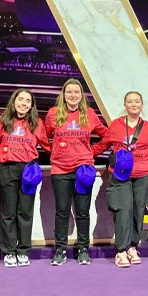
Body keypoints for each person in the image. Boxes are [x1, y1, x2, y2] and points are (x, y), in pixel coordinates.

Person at [45, 79, 110, 266]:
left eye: (76, 92)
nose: (73, 95)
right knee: (62, 211)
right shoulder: (53, 113)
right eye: (69, 92)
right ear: (63, 95)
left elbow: (106, 135)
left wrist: (92, 152)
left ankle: (83, 249)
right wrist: (55, 151)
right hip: (60, 169)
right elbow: (42, 136)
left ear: (81, 95)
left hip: (83, 170)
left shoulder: (89, 114)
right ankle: (60, 250)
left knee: (82, 211)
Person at [0, 88, 50, 267]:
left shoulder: (37, 123)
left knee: (25, 212)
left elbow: (48, 146)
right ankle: (9, 251)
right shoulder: (2, 121)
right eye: (20, 99)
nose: (24, 103)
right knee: (8, 212)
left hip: (29, 170)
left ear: (31, 105)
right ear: (14, 101)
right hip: (7, 168)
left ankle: (24, 250)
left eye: (28, 101)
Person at [106, 91, 148, 267]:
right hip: (121, 175)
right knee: (123, 211)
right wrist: (86, 157)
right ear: (125, 105)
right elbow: (104, 143)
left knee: (138, 211)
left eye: (137, 101)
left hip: (143, 174)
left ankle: (133, 247)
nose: (134, 104)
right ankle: (121, 250)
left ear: (142, 105)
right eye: (130, 102)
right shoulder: (115, 125)